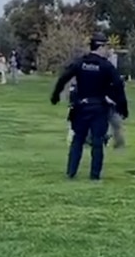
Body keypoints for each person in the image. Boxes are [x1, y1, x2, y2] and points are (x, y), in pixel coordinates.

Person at [50, 32, 128, 180]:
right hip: (98, 108)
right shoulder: (106, 66)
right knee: (98, 142)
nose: (107, 50)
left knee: (77, 140)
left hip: (81, 107)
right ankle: (94, 175)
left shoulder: (80, 63)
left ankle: (71, 172)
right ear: (100, 47)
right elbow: (118, 86)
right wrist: (123, 107)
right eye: (106, 47)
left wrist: (55, 95)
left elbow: (63, 78)